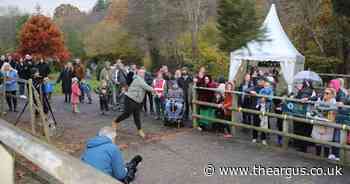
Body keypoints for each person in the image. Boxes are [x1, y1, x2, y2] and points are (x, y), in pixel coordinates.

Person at [113, 68, 155, 139]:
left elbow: (146, 87)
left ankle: (140, 131)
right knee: (126, 114)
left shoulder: (142, 80)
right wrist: (155, 90)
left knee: (137, 116)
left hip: (137, 101)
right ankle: (115, 122)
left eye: (144, 73)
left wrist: (153, 91)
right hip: (130, 99)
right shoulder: (138, 79)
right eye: (141, 73)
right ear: (138, 73)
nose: (143, 74)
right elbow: (146, 87)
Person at [311, 88, 337, 158]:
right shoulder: (320, 100)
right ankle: (317, 156)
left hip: (328, 125)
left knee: (326, 142)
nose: (325, 94)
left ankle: (325, 158)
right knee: (317, 141)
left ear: (332, 95)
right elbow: (315, 109)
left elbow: (332, 114)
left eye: (327, 93)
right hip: (319, 123)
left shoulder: (333, 103)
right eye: (324, 92)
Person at [292, 80, 317, 152]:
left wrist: (299, 95)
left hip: (303, 112)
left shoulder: (307, 90)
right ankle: (302, 146)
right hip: (306, 112)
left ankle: (302, 147)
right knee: (305, 129)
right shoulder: (311, 90)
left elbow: (302, 99)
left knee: (303, 129)